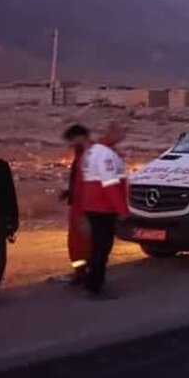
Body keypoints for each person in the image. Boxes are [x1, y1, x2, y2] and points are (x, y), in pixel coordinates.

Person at [80, 123, 129, 298]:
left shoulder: (93, 151)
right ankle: (95, 286)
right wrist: (122, 210)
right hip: (103, 209)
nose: (122, 138)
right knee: (102, 249)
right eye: (120, 134)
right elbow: (110, 185)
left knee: (96, 247)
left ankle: (90, 282)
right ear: (111, 133)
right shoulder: (105, 155)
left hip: (93, 207)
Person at [61, 124, 92, 285]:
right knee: (75, 243)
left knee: (86, 242)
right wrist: (69, 192)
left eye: (72, 140)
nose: (71, 144)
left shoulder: (91, 154)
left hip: (86, 206)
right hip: (76, 205)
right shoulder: (80, 154)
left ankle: (90, 275)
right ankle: (80, 273)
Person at [0, 156, 18, 290]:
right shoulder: (2, 166)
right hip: (1, 217)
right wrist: (14, 220)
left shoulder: (2, 166)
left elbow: (10, 194)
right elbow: (11, 194)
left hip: (1, 217)